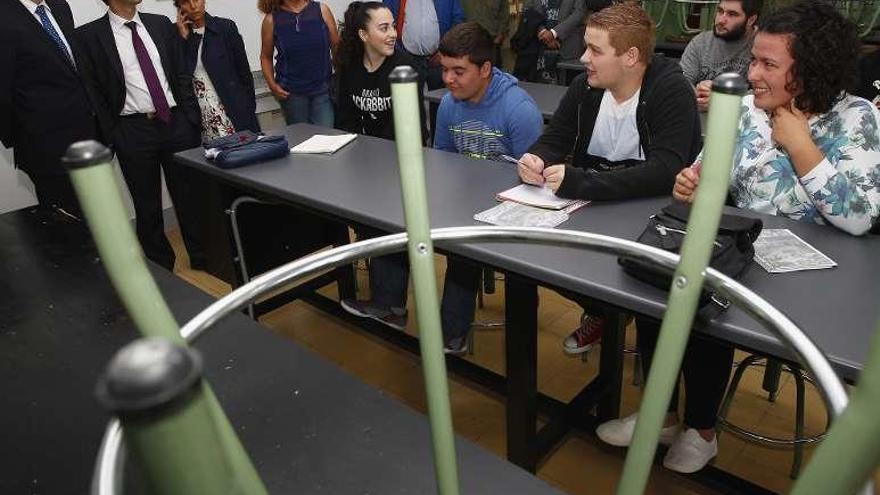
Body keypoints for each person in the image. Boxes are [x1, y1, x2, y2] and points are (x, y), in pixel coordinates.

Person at [605, 1, 880, 475]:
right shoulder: (749, 111)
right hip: (742, 253)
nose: (751, 73)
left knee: (707, 301)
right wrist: (690, 182)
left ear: (811, 68)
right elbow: (710, 168)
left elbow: (858, 218)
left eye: (768, 64)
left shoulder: (857, 118)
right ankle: (664, 414)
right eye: (754, 58)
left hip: (819, 283)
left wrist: (799, 143)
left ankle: (703, 431)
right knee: (664, 281)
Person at [340, 22, 543, 353]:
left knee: (464, 249)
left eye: (458, 71)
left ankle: (452, 333)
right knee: (400, 216)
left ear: (486, 69)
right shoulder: (450, 104)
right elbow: (443, 162)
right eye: (445, 69)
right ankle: (390, 306)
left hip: (505, 207)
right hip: (462, 197)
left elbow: (534, 182)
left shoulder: (519, 110)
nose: (448, 79)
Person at [517, 2, 701, 356]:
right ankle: (607, 312)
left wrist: (580, 182)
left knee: (649, 288)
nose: (584, 57)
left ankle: (633, 328)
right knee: (540, 262)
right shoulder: (586, 87)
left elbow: (666, 171)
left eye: (595, 50)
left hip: (653, 216)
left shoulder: (670, 90)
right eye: (586, 46)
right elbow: (556, 137)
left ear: (630, 56)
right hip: (596, 206)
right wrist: (536, 157)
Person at [76, 0, 203, 271]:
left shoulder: (159, 24)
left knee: (191, 198)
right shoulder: (89, 36)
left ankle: (203, 258)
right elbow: (93, 90)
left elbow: (180, 71)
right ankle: (161, 267)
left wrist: (189, 116)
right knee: (147, 206)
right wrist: (114, 132)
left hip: (175, 123)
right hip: (132, 130)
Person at [0, 0, 97, 217]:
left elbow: (73, 68)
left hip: (86, 135)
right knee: (67, 225)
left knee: (97, 215)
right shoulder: (4, 15)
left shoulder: (60, 6)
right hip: (45, 149)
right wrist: (23, 138)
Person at [334, 1, 425, 140]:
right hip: (363, 150)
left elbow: (411, 127)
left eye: (393, 26)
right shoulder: (350, 66)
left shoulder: (405, 69)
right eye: (384, 28)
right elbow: (345, 119)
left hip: (399, 152)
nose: (393, 34)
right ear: (364, 35)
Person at [175, 0, 260, 139]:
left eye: (196, 0)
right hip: (202, 116)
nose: (193, 6)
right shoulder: (178, 36)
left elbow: (244, 73)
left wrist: (247, 108)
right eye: (185, 2)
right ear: (179, 8)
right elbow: (180, 78)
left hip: (234, 111)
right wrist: (184, 40)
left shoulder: (225, 28)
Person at [259, 0, 339, 127]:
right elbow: (265, 57)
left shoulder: (322, 10)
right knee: (301, 141)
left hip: (323, 89)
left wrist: (342, 77)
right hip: (291, 94)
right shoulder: (271, 20)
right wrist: (272, 85)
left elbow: (336, 47)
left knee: (327, 138)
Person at [680, 0, 761, 111]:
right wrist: (696, 94)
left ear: (751, 20)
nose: (721, 20)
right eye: (720, 11)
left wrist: (723, 99)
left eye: (732, 14)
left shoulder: (762, 45)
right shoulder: (701, 42)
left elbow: (769, 92)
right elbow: (681, 81)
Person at [382, 0, 464, 90]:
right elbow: (385, 24)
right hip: (407, 58)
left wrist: (444, 52)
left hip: (439, 60)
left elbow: (458, 21)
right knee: (409, 100)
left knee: (439, 99)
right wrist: (399, 53)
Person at [460, 0, 509, 65]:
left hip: (492, 41)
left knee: (492, 70)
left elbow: (504, 16)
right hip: (468, 41)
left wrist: (499, 37)